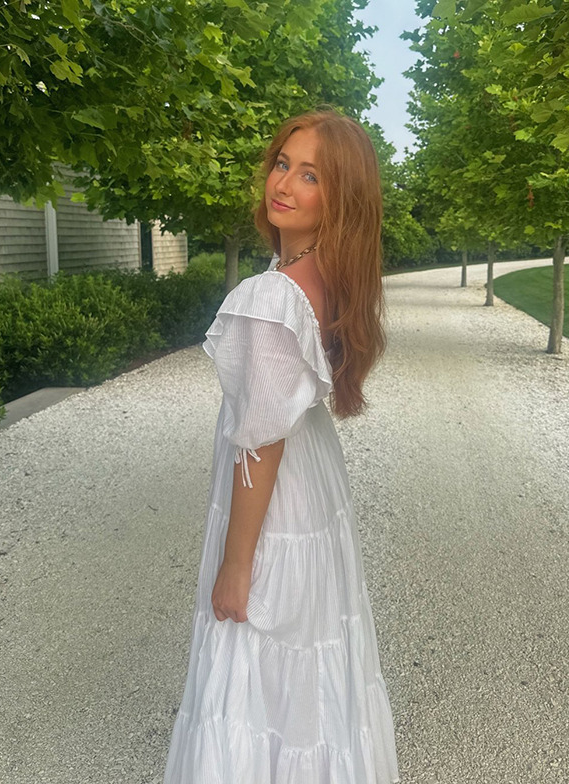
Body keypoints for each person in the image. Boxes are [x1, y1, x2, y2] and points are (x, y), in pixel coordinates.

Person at [162, 107, 400, 783]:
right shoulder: (323, 275)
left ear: (341, 201)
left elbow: (258, 446)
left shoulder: (270, 294)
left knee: (251, 654)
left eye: (311, 175)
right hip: (314, 482)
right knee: (311, 656)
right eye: (282, 163)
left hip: (280, 495)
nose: (284, 183)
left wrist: (236, 564)